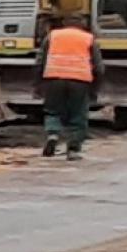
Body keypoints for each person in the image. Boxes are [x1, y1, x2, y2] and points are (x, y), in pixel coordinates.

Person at [34, 14, 103, 161]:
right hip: (79, 81)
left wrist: (38, 84)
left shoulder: (52, 36)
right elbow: (99, 68)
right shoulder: (88, 38)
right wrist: (95, 88)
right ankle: (73, 149)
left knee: (53, 111)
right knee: (78, 115)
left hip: (54, 79)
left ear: (64, 23)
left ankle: (53, 135)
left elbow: (40, 61)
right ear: (83, 24)